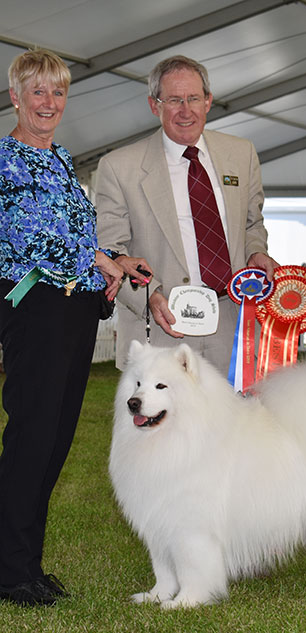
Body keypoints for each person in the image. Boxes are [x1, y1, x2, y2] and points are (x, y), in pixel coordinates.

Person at [0, 49, 136, 607]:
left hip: (73, 311)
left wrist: (111, 262)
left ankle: (26, 564)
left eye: (58, 93)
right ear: (15, 97)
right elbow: (31, 241)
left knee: (54, 443)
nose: (49, 103)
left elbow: (76, 235)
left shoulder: (60, 157)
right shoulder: (6, 161)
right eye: (38, 92)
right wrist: (100, 263)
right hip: (34, 311)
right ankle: (9, 572)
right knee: (31, 440)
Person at [96, 55, 277, 374]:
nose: (185, 110)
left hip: (233, 325)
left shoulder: (242, 154)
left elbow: (252, 225)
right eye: (174, 100)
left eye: (194, 98)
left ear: (208, 101)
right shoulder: (118, 167)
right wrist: (148, 296)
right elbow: (112, 252)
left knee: (239, 423)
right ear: (154, 105)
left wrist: (256, 252)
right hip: (161, 328)